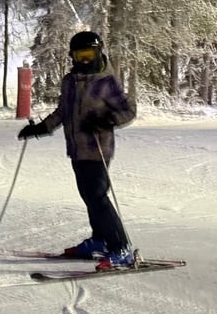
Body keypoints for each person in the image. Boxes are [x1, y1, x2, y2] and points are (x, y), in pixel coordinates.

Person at [18, 31, 136, 270]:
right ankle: (100, 240)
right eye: (79, 55)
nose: (84, 60)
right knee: (89, 197)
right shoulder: (70, 81)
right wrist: (41, 128)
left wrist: (104, 120)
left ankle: (120, 247)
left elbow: (128, 111)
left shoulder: (106, 81)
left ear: (98, 52)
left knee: (97, 197)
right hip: (76, 148)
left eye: (88, 54)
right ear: (72, 56)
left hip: (97, 148)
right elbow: (63, 111)